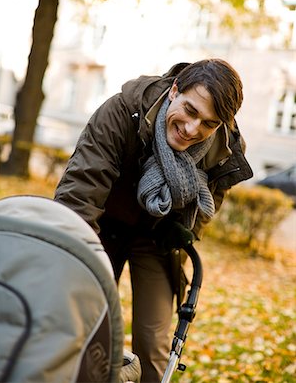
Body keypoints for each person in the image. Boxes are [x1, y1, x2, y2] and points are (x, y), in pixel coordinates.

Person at [54, 58, 253, 382]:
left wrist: (186, 229)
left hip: (156, 236)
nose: (193, 129)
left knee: (154, 341)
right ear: (174, 90)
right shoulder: (123, 111)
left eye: (209, 123)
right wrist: (78, 257)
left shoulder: (224, 147)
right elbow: (81, 192)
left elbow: (212, 196)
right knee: (85, 322)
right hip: (100, 225)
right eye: (190, 110)